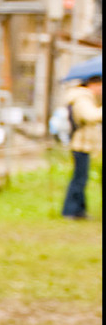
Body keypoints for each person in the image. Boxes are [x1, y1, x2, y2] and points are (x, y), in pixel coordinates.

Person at [61, 73, 102, 219]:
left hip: (83, 143)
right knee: (79, 178)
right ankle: (70, 210)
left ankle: (79, 210)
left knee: (81, 178)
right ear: (93, 85)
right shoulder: (82, 98)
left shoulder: (84, 97)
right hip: (80, 144)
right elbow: (89, 116)